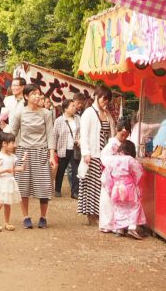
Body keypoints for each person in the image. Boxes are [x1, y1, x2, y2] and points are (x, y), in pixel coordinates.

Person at [10, 84, 58, 228]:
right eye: (33, 94)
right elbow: (12, 132)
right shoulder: (19, 113)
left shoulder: (46, 113)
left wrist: (51, 155)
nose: (38, 96)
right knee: (23, 187)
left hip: (42, 152)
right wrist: (9, 155)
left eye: (39, 93)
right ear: (26, 96)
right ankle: (26, 217)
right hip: (24, 153)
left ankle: (43, 217)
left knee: (44, 187)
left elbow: (50, 134)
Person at [77, 86, 117, 225]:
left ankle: (100, 213)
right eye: (104, 98)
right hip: (93, 154)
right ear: (97, 96)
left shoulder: (107, 114)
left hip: (105, 154)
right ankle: (91, 214)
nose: (105, 102)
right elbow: (84, 134)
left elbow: (111, 133)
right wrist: (86, 152)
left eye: (107, 99)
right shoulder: (88, 113)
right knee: (92, 185)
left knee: (102, 185)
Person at [102, 139, 146, 239]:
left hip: (116, 187)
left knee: (119, 208)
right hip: (129, 187)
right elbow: (139, 172)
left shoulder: (111, 160)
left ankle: (119, 228)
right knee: (134, 206)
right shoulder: (130, 159)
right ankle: (131, 227)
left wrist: (110, 189)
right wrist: (135, 183)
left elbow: (107, 176)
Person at [98, 117, 132, 233]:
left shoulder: (124, 144)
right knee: (107, 200)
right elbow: (104, 159)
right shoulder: (111, 145)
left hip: (119, 177)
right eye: (122, 134)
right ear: (117, 130)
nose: (124, 137)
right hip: (110, 175)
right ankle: (107, 224)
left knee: (117, 201)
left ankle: (117, 224)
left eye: (126, 135)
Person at [0, 132, 22, 232]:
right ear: (4, 144)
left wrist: (21, 168)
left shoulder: (13, 156)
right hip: (0, 183)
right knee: (0, 203)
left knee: (8, 203)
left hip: (9, 182)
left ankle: (7, 222)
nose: (14, 145)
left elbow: (13, 169)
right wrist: (6, 170)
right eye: (12, 142)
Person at [52, 98, 81, 199]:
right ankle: (57, 189)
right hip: (63, 148)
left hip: (75, 148)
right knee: (61, 169)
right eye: (72, 106)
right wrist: (53, 150)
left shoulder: (78, 118)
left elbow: (81, 132)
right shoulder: (59, 121)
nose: (74, 107)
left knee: (75, 170)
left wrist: (80, 140)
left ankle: (74, 192)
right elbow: (54, 136)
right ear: (65, 108)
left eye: (74, 105)